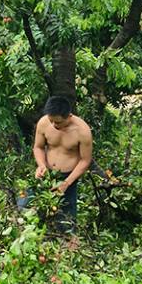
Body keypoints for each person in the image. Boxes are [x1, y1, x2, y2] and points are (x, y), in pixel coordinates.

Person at [25, 94, 94, 231]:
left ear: (69, 116)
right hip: (46, 175)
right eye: (51, 121)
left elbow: (85, 160)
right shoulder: (44, 123)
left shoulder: (82, 131)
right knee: (26, 207)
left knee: (66, 222)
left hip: (68, 177)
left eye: (58, 122)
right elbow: (38, 147)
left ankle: (67, 247)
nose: (54, 125)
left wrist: (67, 183)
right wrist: (41, 165)